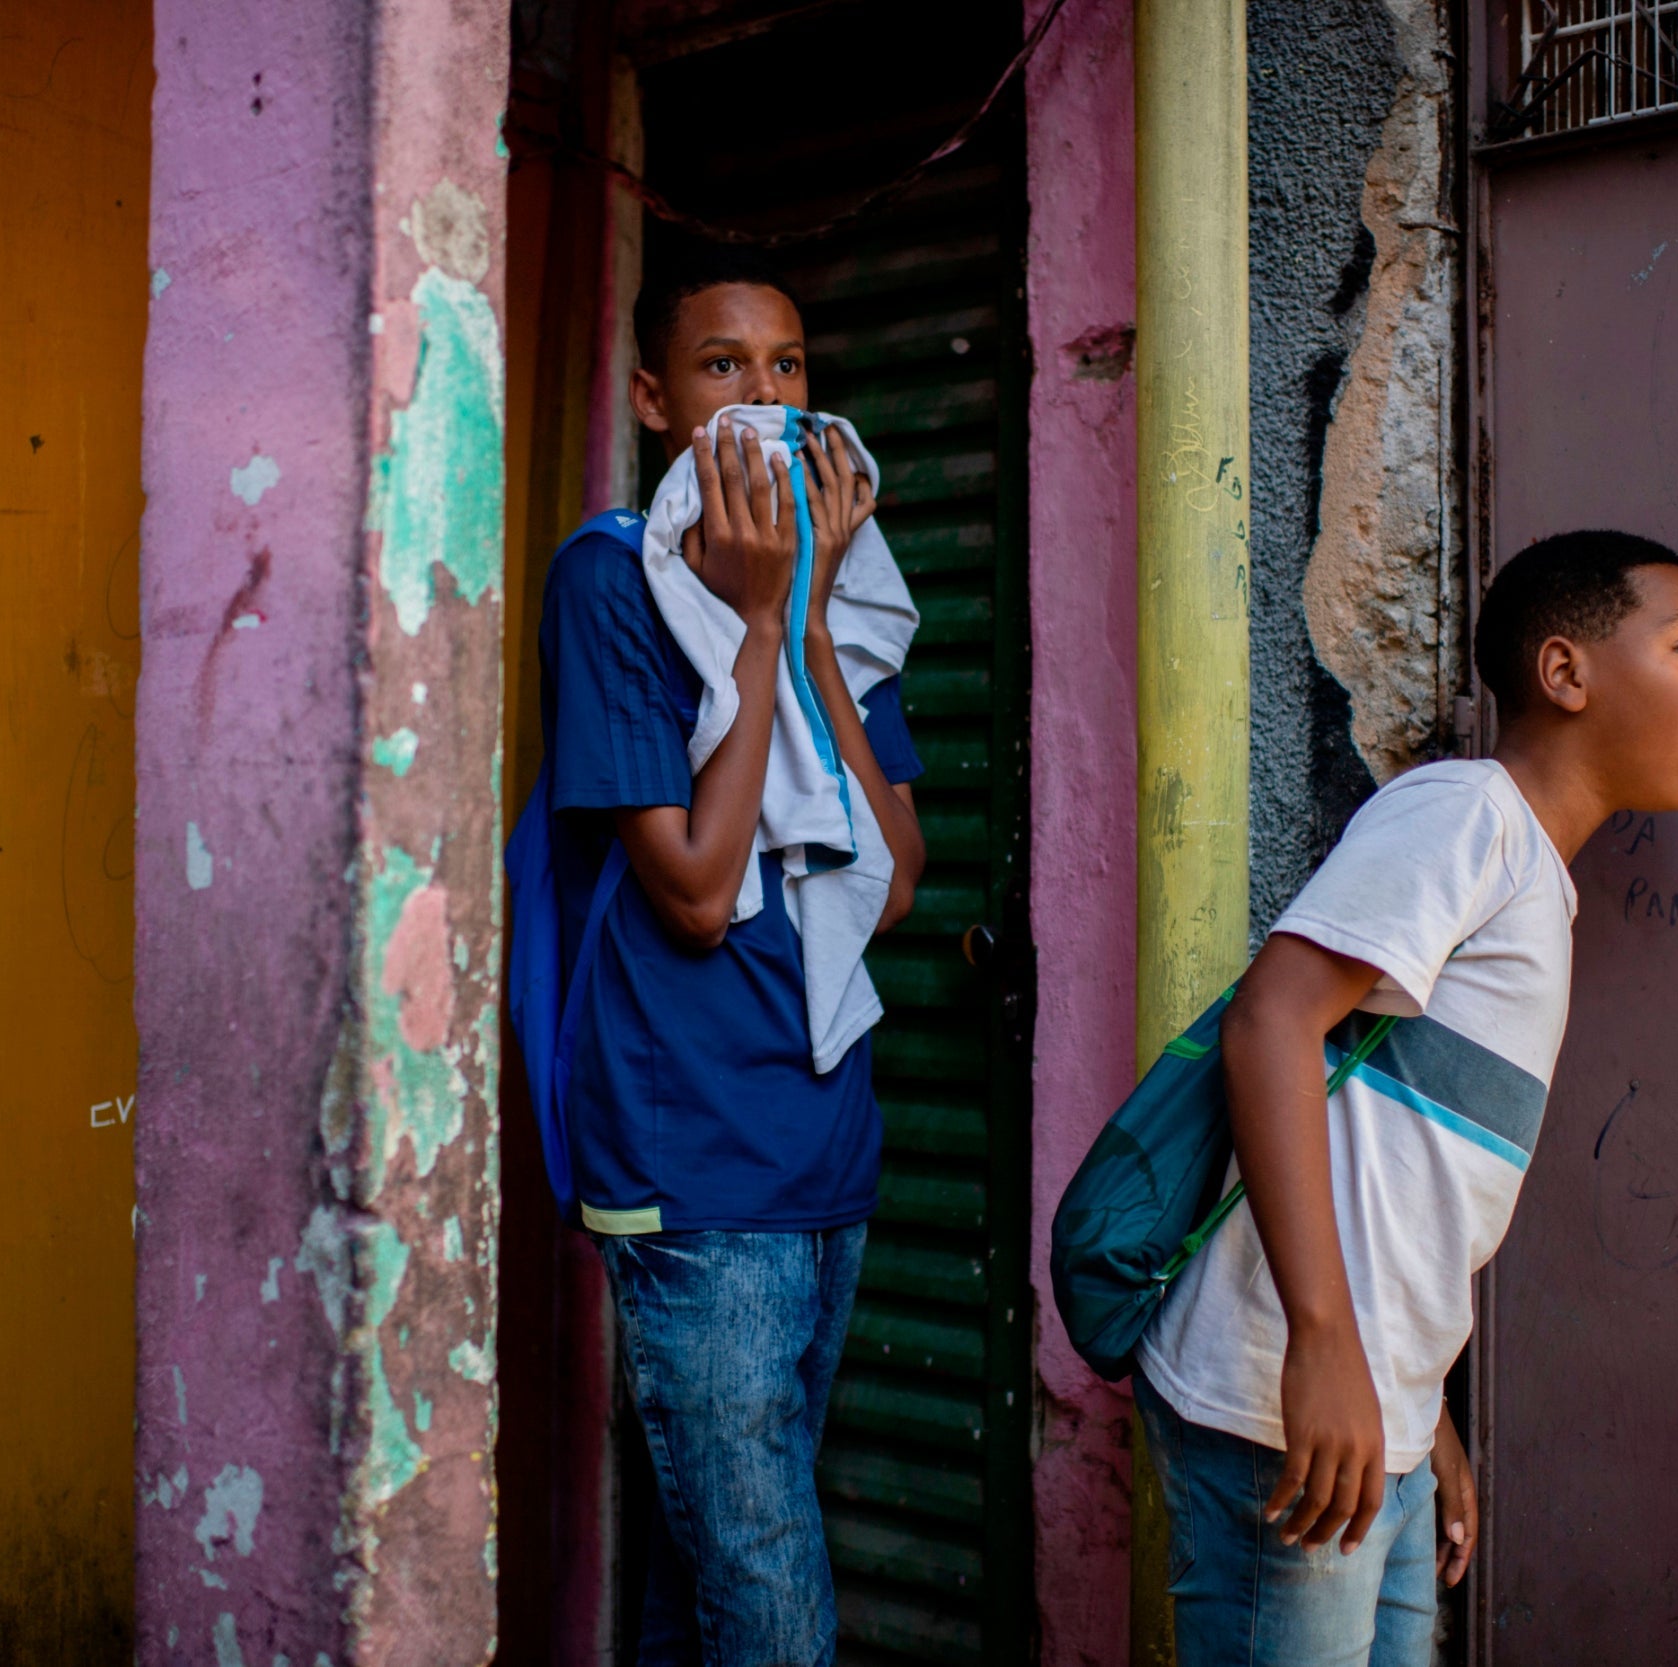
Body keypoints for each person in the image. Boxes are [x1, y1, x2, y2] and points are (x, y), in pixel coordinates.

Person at [1131, 530, 1678, 1665]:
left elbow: (1401, 1180)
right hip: (1282, 1405)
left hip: (1378, 1416)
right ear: (1565, 675)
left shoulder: (1528, 876)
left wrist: (1426, 1408)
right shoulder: (1468, 815)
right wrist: (1320, 1346)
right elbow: (1271, 1021)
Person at [535, 245, 925, 1666]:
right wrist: (755, 620)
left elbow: (889, 885)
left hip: (826, 1152)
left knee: (704, 1577)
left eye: (790, 368)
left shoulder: (837, 598)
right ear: (654, 399)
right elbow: (697, 892)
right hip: (691, 1169)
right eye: (722, 369)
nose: (765, 399)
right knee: (770, 1611)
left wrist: (807, 624)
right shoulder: (611, 585)